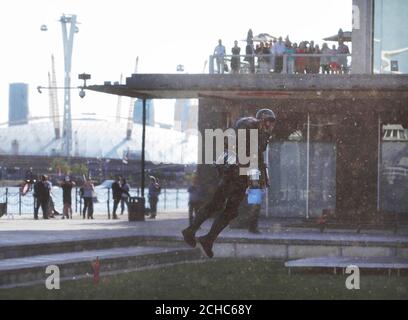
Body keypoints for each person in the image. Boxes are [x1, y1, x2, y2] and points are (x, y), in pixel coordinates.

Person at [181, 108, 276, 258]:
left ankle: (206, 237)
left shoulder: (259, 132)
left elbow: (255, 156)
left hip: (239, 175)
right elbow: (246, 137)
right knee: (217, 205)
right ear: (262, 120)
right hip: (234, 174)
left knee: (227, 209)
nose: (270, 125)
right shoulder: (251, 125)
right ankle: (194, 232)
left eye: (271, 122)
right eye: (268, 121)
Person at [246, 169, 265, 234]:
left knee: (254, 211)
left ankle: (252, 228)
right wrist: (261, 187)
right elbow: (255, 183)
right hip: (255, 191)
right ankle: (253, 228)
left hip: (253, 191)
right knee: (255, 211)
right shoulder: (255, 170)